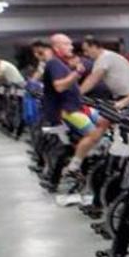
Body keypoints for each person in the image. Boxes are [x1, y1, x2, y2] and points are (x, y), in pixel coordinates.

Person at [40, 34, 105, 182]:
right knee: (94, 135)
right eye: (67, 44)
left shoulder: (62, 64)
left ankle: (93, 156)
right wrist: (77, 73)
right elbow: (60, 87)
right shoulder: (54, 63)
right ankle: (74, 166)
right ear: (57, 47)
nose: (71, 47)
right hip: (67, 111)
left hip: (78, 106)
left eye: (71, 44)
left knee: (106, 120)